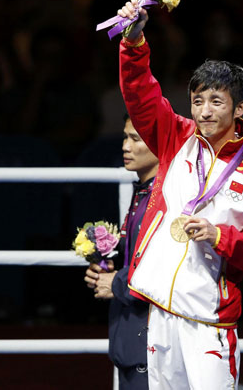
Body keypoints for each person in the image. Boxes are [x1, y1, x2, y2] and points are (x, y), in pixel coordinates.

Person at [114, 0, 243, 389]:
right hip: (160, 311)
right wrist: (134, 42)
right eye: (197, 101)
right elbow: (140, 95)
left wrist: (220, 237)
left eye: (216, 101)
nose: (204, 111)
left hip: (210, 320)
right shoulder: (176, 137)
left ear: (239, 107)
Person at [84, 115, 158, 390]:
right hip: (133, 340)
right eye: (125, 138)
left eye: (135, 139)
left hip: (150, 346)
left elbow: (166, 269)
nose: (126, 146)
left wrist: (116, 283)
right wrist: (108, 272)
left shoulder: (164, 200)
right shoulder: (142, 194)